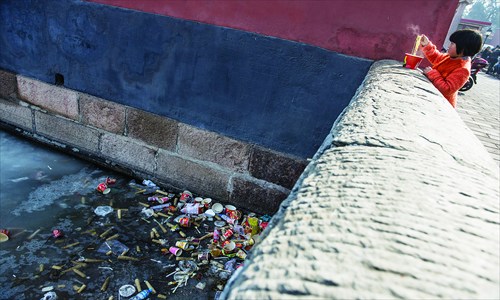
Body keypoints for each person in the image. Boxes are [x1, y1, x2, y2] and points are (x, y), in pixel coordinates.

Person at [419, 29, 482, 108]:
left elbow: (447, 89)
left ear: (462, 48)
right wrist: (427, 45)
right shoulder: (451, 57)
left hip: (442, 104)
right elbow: (436, 58)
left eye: (452, 44)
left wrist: (431, 73)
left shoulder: (463, 69)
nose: (449, 46)